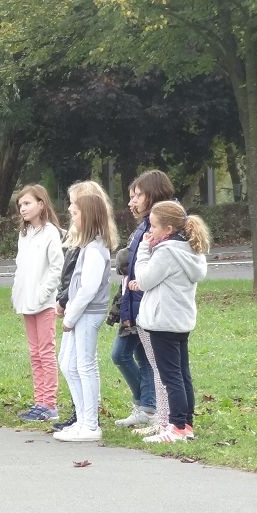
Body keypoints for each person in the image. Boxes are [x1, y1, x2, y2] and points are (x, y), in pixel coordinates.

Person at [134, 201, 210, 443]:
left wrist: (144, 249)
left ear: (168, 229)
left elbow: (144, 279)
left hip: (163, 321)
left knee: (171, 378)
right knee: (182, 374)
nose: (150, 231)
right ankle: (186, 424)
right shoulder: (190, 249)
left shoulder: (166, 251)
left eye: (154, 226)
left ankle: (176, 427)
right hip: (180, 321)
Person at [52, 180, 117, 433]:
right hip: (80, 313)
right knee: (68, 364)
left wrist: (70, 317)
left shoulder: (95, 249)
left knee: (84, 365)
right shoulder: (87, 246)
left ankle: (90, 424)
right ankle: (82, 419)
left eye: (75, 212)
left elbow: (88, 288)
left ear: (87, 216)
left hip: (88, 314)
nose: (71, 216)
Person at [116, 170, 176, 434]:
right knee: (145, 359)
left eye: (138, 195)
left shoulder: (164, 228)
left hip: (150, 305)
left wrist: (130, 262)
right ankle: (153, 412)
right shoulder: (145, 225)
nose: (133, 202)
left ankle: (161, 416)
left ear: (154, 194)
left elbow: (144, 269)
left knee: (160, 366)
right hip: (138, 301)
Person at [11, 184, 64, 422]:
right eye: (20, 204)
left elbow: (56, 267)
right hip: (26, 301)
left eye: (27, 203)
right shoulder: (24, 234)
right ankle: (39, 400)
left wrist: (43, 294)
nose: (23, 208)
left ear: (41, 204)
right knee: (34, 353)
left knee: (46, 351)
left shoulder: (50, 232)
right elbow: (21, 267)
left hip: (43, 303)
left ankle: (49, 404)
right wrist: (18, 293)